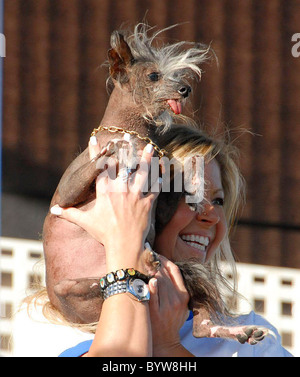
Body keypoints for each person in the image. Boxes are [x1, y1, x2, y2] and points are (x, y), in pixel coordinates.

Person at [35, 125, 292, 357]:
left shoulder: (250, 341)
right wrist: (126, 248)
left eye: (218, 201)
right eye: (191, 195)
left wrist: (167, 346)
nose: (212, 216)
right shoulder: (77, 346)